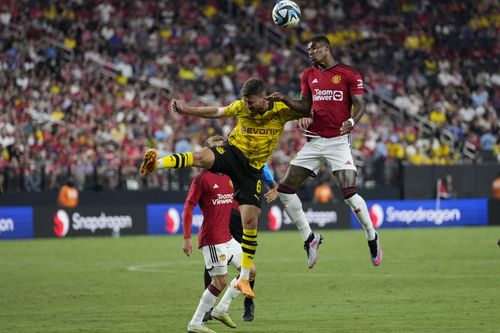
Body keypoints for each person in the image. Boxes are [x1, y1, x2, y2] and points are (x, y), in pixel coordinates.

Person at [140, 78, 307, 301]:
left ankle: (245, 278)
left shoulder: (281, 110)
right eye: (245, 102)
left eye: (252, 102)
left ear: (264, 97)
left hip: (252, 171)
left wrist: (307, 116)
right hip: (233, 153)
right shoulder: (240, 106)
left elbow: (310, 109)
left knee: (251, 222)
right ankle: (156, 164)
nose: (247, 106)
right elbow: (216, 111)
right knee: (200, 157)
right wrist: (186, 109)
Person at [267, 35, 382, 268]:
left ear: (327, 48)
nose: (311, 53)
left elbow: (361, 104)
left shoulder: (349, 74)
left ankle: (371, 235)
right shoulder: (308, 75)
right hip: (314, 141)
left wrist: (352, 120)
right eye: (308, 50)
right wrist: (286, 100)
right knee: (285, 190)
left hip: (339, 141)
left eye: (315, 49)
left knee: (349, 193)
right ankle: (310, 240)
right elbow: (304, 106)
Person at [183, 135, 278, 325]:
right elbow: (190, 205)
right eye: (216, 150)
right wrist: (187, 237)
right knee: (218, 275)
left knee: (249, 267)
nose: (221, 155)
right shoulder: (204, 178)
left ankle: (240, 304)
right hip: (217, 229)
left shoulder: (236, 166)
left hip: (238, 222)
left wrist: (269, 191)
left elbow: (259, 173)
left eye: (222, 149)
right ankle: (205, 312)